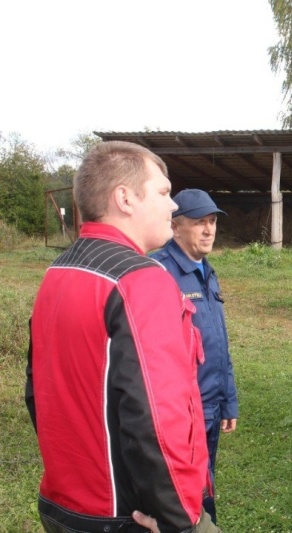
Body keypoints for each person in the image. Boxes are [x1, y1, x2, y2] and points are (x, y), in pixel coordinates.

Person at [25, 141, 221, 533]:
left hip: (64, 508)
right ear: (125, 198)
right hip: (126, 517)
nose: (172, 206)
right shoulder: (142, 281)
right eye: (164, 193)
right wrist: (179, 520)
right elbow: (155, 423)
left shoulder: (57, 271)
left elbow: (38, 394)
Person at [150, 189, 239, 524]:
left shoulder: (206, 270)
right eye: (199, 222)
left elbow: (218, 341)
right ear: (175, 228)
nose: (208, 230)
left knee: (205, 483)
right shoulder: (159, 272)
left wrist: (228, 399)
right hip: (183, 413)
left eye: (213, 221)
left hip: (211, 405)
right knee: (182, 492)